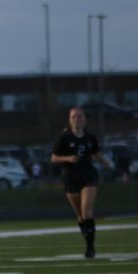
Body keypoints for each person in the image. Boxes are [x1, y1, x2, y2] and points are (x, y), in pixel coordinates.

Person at [50, 106, 110, 258]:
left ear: (84, 120)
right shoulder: (64, 138)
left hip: (88, 176)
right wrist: (68, 158)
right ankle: (88, 240)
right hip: (70, 178)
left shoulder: (90, 138)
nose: (77, 119)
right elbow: (54, 158)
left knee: (87, 212)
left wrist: (104, 161)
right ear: (70, 120)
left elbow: (95, 153)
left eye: (80, 116)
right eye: (74, 117)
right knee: (80, 216)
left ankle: (90, 248)